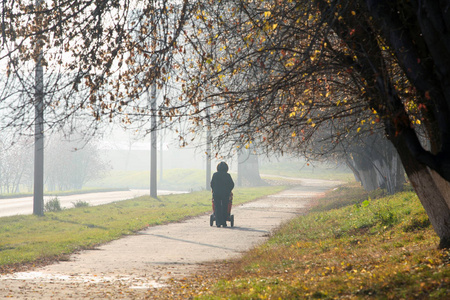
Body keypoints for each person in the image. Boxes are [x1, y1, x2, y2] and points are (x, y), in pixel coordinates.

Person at [210, 161, 234, 227]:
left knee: (217, 207)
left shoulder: (215, 175)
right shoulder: (228, 175)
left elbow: (212, 184)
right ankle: (224, 222)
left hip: (216, 193)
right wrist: (228, 190)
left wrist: (214, 190)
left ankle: (218, 222)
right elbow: (232, 184)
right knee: (224, 207)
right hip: (225, 194)